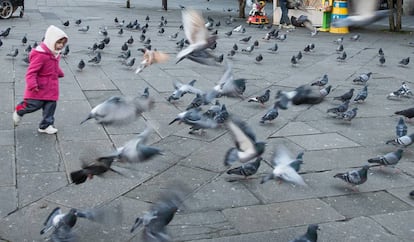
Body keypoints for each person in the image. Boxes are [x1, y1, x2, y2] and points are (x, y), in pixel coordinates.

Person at [13, 25, 68, 134]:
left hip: (51, 87)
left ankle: (45, 126)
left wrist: (59, 72)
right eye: (58, 42)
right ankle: (19, 110)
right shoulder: (41, 55)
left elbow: (53, 66)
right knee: (34, 105)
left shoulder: (55, 53)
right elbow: (31, 72)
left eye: (63, 43)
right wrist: (33, 85)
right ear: (51, 41)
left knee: (51, 106)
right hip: (39, 87)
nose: (61, 45)